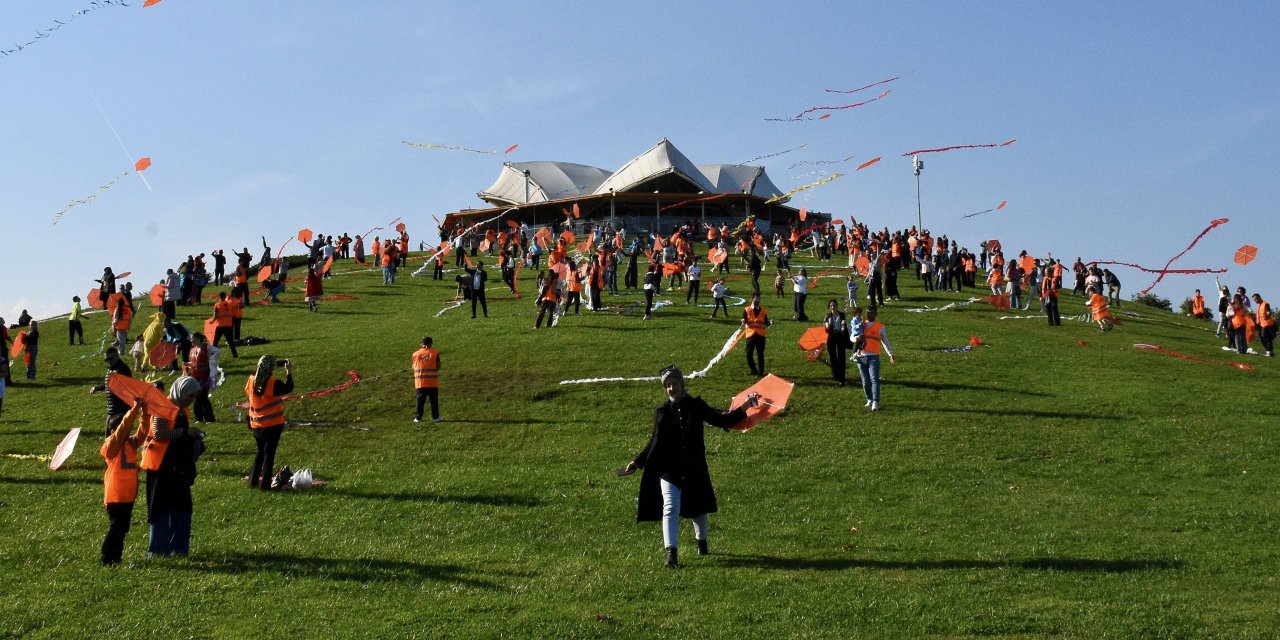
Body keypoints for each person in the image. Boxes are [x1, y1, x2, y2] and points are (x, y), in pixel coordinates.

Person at [621, 365, 758, 568]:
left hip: (694, 464)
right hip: (668, 468)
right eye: (667, 385)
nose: (671, 388)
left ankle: (701, 542)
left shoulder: (696, 405)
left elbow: (721, 420)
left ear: (682, 384)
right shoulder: (661, 412)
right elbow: (654, 441)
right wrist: (637, 461)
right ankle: (671, 554)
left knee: (698, 507)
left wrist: (745, 406)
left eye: (674, 383)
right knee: (670, 507)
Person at [143, 377, 204, 557]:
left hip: (178, 465)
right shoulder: (163, 407)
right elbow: (159, 434)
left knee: (182, 508)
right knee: (161, 509)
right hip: (160, 466)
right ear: (182, 391)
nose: (192, 400)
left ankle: (179, 550)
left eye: (194, 397)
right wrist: (186, 432)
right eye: (190, 396)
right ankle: (158, 551)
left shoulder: (182, 410)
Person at [100, 401, 147, 566]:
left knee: (123, 527)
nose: (127, 432)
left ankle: (116, 557)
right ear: (114, 431)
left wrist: (145, 414)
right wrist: (134, 410)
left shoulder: (130, 443)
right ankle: (106, 556)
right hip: (115, 494)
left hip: (128, 494)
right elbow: (122, 430)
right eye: (124, 430)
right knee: (117, 527)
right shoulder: (111, 445)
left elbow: (143, 432)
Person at [245, 355, 294, 491]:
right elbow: (288, 387)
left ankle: (253, 482)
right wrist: (289, 371)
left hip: (256, 424)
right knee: (269, 455)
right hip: (272, 424)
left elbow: (249, 394)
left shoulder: (251, 380)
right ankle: (265, 486)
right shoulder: (273, 383)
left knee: (260, 453)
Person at [855, 307, 895, 411]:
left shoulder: (880, 326)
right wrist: (856, 338)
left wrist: (890, 354)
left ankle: (876, 401)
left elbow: (885, 341)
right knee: (865, 381)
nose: (869, 315)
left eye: (872, 313)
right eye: (868, 313)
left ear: (875, 314)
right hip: (861, 356)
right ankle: (869, 399)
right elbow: (853, 336)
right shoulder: (862, 324)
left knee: (874, 379)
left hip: (873, 356)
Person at [412, 336, 442, 422]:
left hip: (420, 382)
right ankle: (436, 417)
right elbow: (438, 366)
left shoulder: (415, 354)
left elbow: (414, 366)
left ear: (422, 344)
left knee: (420, 401)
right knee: (434, 401)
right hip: (432, 382)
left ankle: (418, 418)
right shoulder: (435, 353)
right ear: (431, 343)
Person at [741, 294, 771, 377]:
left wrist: (769, 323)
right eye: (756, 298)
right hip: (750, 334)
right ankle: (753, 370)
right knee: (748, 353)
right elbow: (744, 320)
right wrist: (743, 321)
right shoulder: (746, 309)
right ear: (752, 299)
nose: (758, 300)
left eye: (759, 298)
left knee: (760, 354)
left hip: (760, 335)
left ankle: (760, 372)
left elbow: (765, 322)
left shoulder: (764, 310)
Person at [188, 333, 215, 423]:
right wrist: (188, 365)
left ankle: (209, 418)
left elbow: (218, 351)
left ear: (199, 339)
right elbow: (194, 362)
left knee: (203, 397)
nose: (191, 340)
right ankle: (199, 418)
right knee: (195, 397)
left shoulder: (206, 347)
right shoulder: (192, 350)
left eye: (193, 338)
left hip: (205, 376)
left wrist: (212, 359)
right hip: (195, 376)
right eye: (191, 339)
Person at [823, 300, 850, 385]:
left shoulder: (842, 315)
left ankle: (842, 378)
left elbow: (845, 327)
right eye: (831, 305)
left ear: (837, 306)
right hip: (831, 337)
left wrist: (843, 324)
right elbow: (826, 329)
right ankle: (835, 375)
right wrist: (829, 324)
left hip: (840, 336)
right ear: (829, 307)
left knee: (841, 357)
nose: (833, 307)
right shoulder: (827, 316)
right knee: (833, 357)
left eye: (834, 305)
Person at [210, 292, 238, 357]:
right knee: (230, 341)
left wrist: (212, 321)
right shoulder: (230, 304)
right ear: (225, 297)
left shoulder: (217, 305)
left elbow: (215, 316)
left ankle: (213, 354)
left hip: (220, 326)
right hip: (229, 325)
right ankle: (235, 354)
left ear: (219, 297)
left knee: (215, 341)